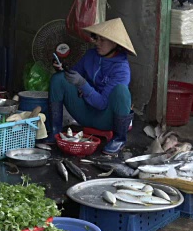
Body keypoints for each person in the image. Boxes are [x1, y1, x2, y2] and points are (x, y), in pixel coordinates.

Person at [49, 18, 135, 156]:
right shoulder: (91, 55)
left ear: (114, 43)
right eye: (97, 39)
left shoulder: (121, 69)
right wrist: (63, 69)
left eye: (102, 40)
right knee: (58, 79)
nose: (97, 43)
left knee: (122, 91)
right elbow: (74, 75)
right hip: (85, 112)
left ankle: (119, 139)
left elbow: (101, 104)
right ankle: (55, 131)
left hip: (106, 118)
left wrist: (83, 84)